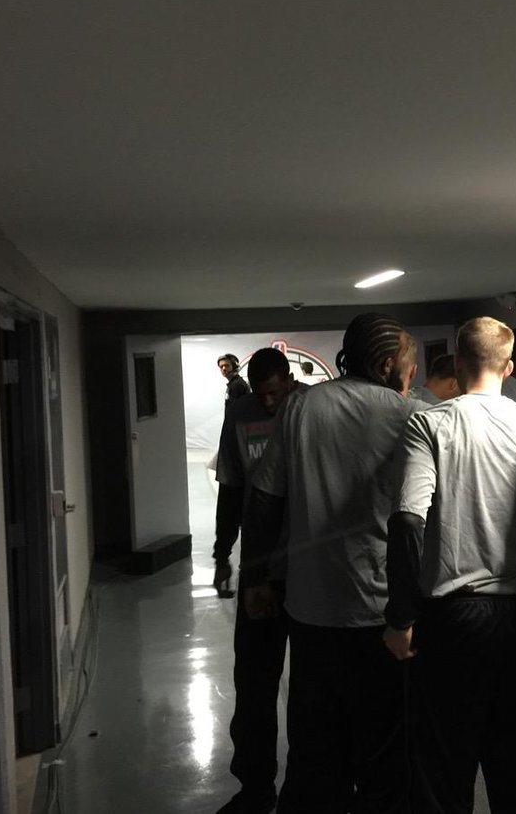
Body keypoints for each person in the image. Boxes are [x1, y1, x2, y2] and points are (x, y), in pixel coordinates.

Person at [239, 313, 424, 814]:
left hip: (311, 610)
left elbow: (263, 499)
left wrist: (255, 577)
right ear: (388, 364)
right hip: (384, 614)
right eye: (409, 366)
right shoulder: (412, 416)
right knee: (386, 748)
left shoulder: (301, 408)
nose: (411, 375)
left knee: (316, 746)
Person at [384, 316, 516, 813]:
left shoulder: (429, 422)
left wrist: (400, 617)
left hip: (453, 619)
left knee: (441, 769)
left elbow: (408, 521)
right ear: (511, 366)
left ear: (456, 365)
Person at [212, 347, 303, 814]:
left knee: (311, 688)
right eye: (262, 393)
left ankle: (310, 788)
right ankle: (255, 786)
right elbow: (230, 489)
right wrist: (222, 552)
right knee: (254, 681)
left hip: (309, 566)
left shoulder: (310, 409)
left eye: (275, 393)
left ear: (289, 380)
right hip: (259, 567)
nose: (269, 402)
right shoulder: (240, 416)